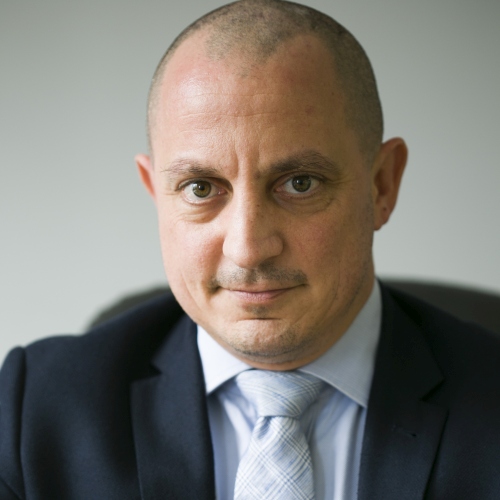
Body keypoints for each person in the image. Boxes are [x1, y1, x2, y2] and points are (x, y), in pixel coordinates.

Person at [1, 1, 499, 499]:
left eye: (300, 183)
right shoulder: (33, 413)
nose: (248, 249)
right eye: (200, 188)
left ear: (382, 185)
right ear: (155, 193)